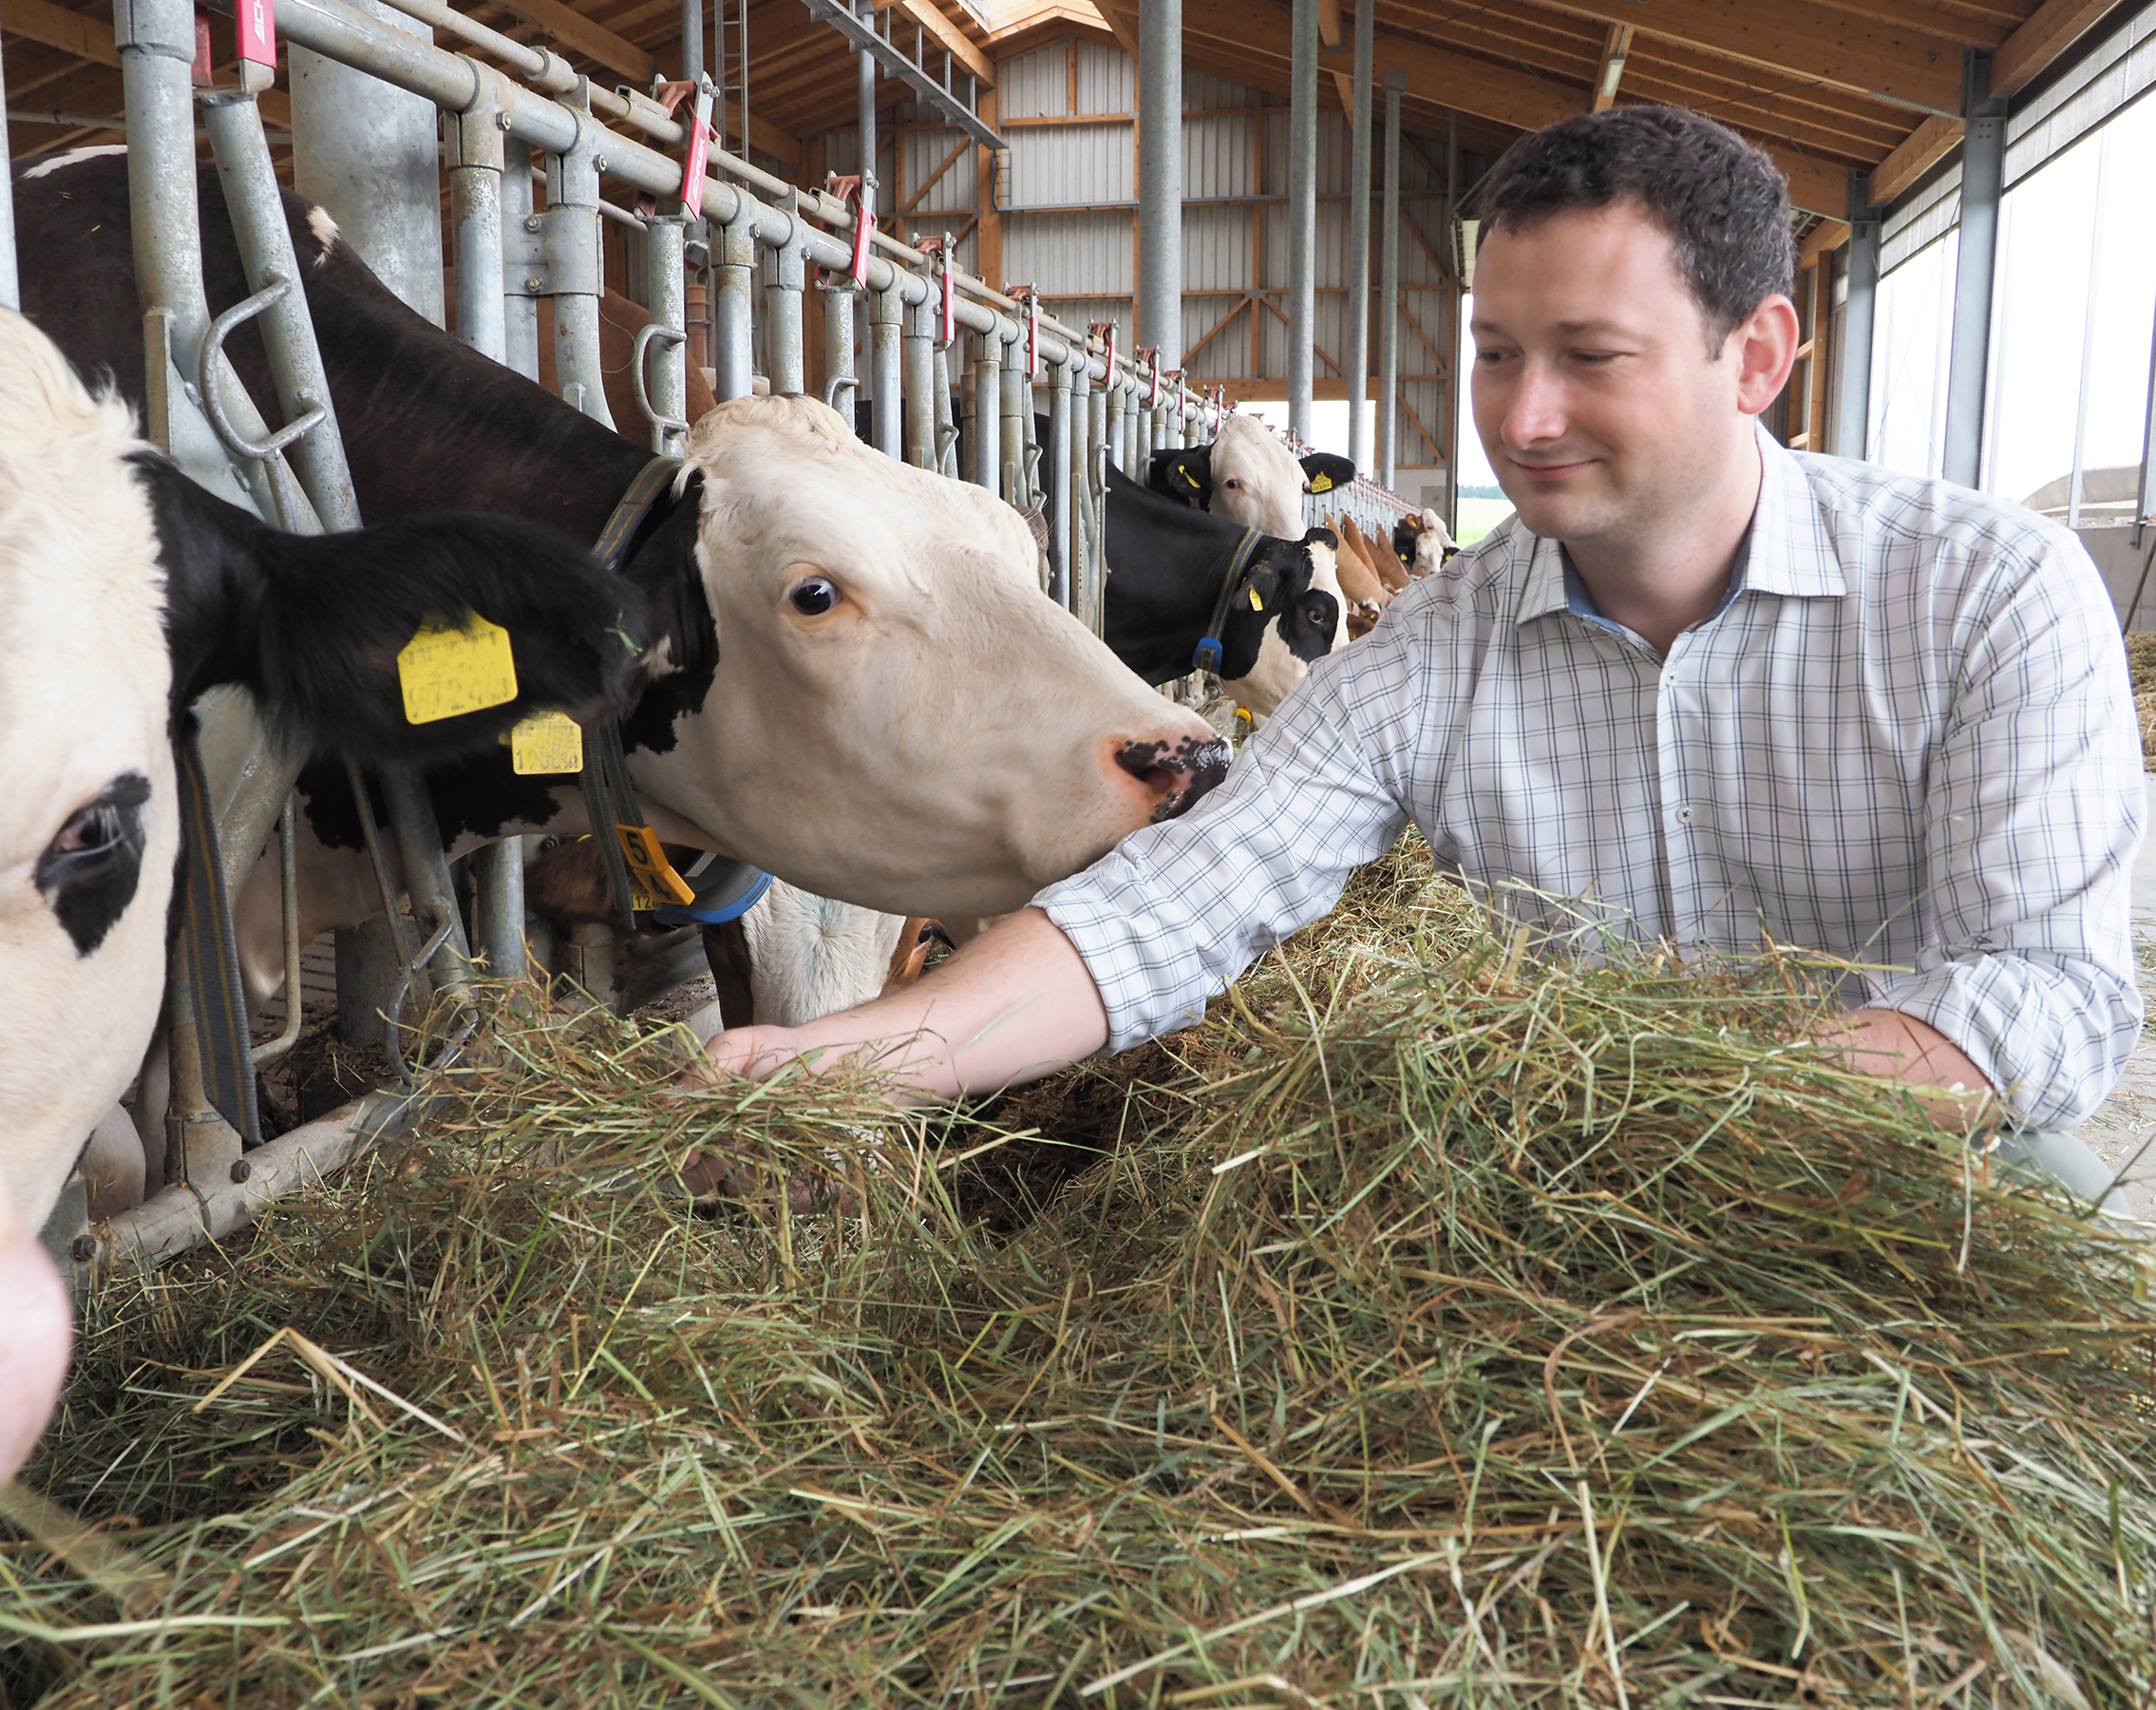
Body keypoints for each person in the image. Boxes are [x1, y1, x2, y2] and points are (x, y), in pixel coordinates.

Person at [707, 105, 2146, 1200]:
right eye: (1497, 351)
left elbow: (2058, 990)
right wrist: (856, 1059)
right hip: (1547, 1198)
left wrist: (1708, 1111)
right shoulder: (1436, 649)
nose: (1518, 420)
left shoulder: (1984, 596)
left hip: (1913, 1180)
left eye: (1590, 355)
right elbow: (1179, 906)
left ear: (1758, 356)